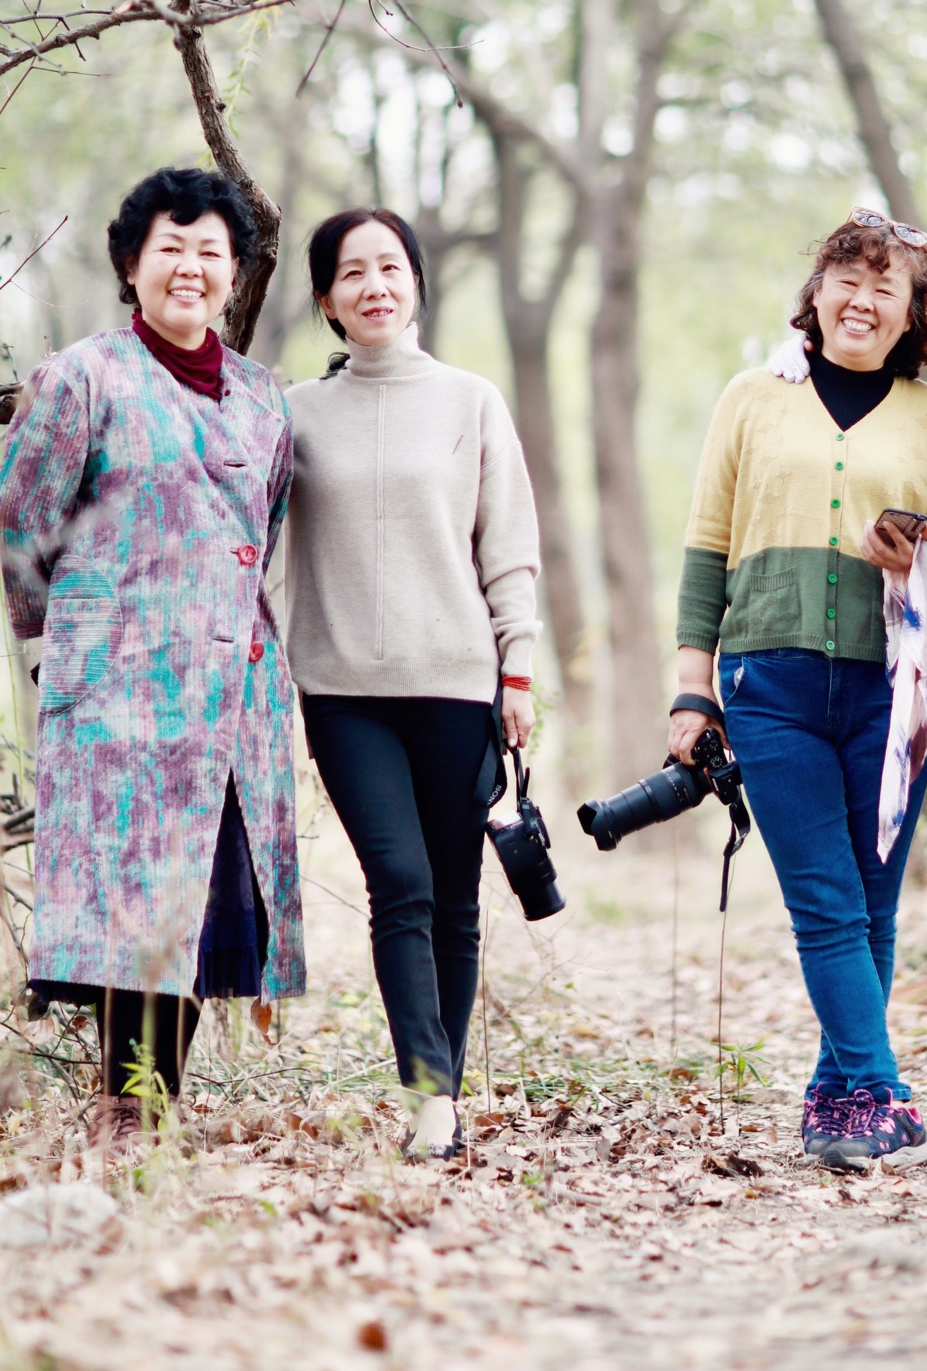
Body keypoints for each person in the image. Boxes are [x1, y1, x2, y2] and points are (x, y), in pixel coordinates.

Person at [0, 166, 304, 1143]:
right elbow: (18, 521)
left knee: (206, 902)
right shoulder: (81, 378)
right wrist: (51, 650)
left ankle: (153, 1104)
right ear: (132, 264)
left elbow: (265, 521)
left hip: (229, 691)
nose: (190, 267)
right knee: (131, 903)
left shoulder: (262, 399)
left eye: (211, 252)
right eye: (170, 247)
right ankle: (130, 1109)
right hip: (117, 691)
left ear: (234, 274)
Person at [672, 210, 927, 1168]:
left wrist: (922, 556)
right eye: (848, 277)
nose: (863, 298)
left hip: (897, 691)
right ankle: (882, 1091)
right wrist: (691, 689)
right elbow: (707, 545)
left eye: (887, 287)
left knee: (873, 903)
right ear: (817, 292)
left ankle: (838, 1094)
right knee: (825, 904)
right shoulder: (752, 399)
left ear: (911, 314)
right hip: (771, 684)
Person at [284, 208, 541, 1161]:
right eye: (351, 273)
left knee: (454, 897)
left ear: (416, 282)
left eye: (389, 267)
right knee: (397, 881)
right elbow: (266, 548)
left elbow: (506, 548)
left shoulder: (471, 402)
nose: (373, 286)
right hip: (342, 690)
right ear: (326, 301)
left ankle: (442, 1090)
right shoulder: (296, 414)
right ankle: (427, 1092)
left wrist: (517, 669)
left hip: (456, 685)